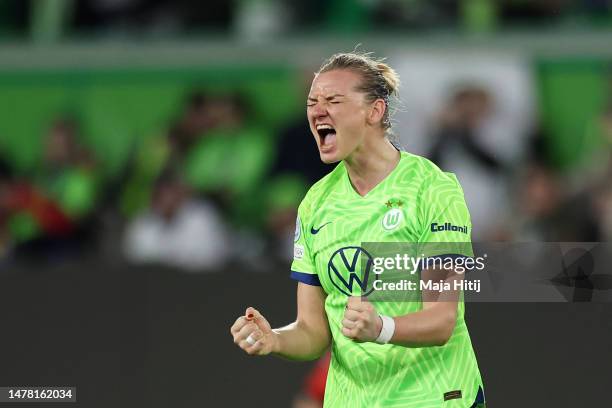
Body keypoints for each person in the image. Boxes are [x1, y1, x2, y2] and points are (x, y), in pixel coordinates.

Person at [230, 52, 485, 407]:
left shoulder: (432, 190)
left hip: (434, 396)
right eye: (312, 102)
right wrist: (274, 339)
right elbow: (313, 332)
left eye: (333, 101)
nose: (318, 111)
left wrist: (381, 328)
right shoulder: (315, 205)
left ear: (375, 111)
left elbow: (441, 319)